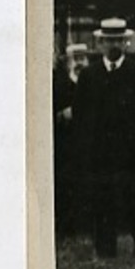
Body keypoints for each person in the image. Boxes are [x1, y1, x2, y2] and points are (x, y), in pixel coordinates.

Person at [70, 18, 135, 258]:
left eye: (118, 40)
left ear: (126, 43)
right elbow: (80, 115)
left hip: (134, 152)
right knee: (103, 201)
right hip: (100, 152)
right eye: (108, 40)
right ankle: (105, 252)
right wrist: (84, 147)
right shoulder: (89, 75)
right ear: (100, 43)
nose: (113, 45)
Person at [51, 41, 91, 236]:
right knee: (67, 185)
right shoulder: (59, 86)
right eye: (76, 59)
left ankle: (87, 226)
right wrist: (61, 115)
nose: (79, 63)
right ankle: (67, 228)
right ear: (68, 62)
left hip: (89, 143)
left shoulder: (95, 82)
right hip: (66, 144)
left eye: (83, 58)